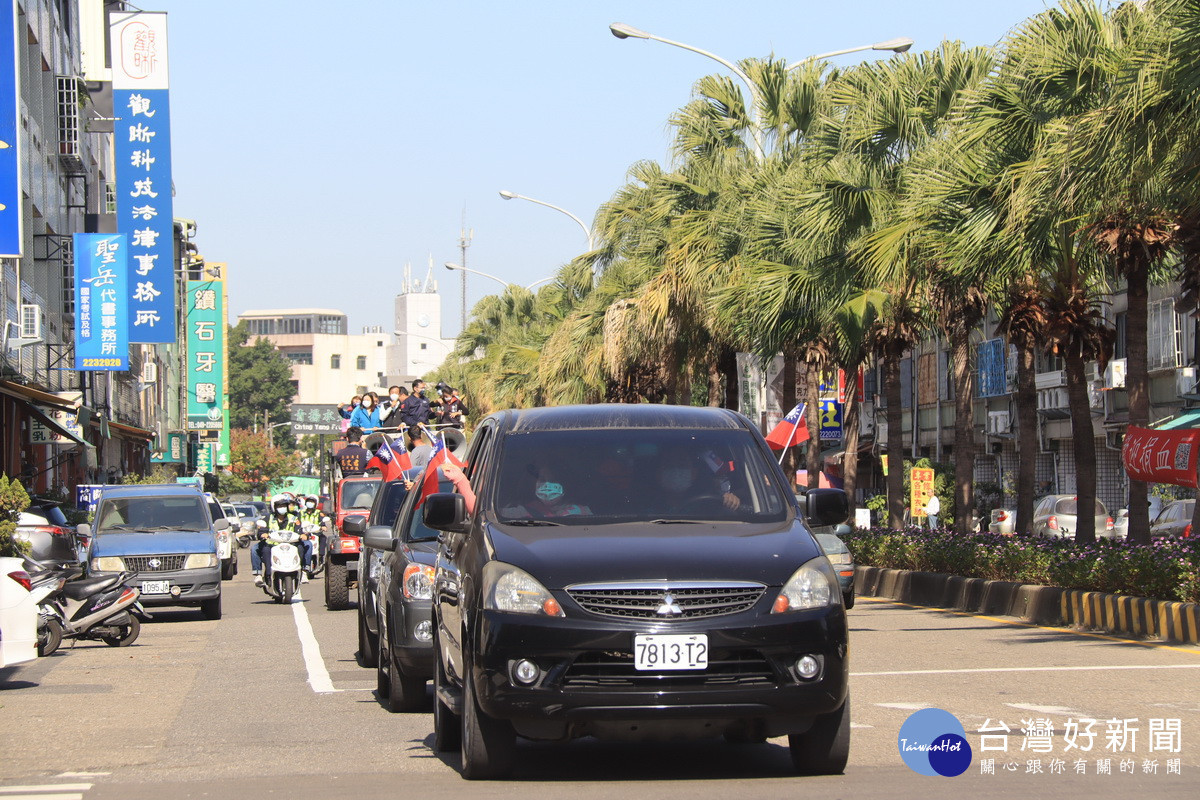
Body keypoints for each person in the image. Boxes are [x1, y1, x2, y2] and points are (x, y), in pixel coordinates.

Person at [655, 453, 742, 513]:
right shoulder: (644, 509)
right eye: (669, 466)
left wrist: (731, 502)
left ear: (694, 473)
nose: (676, 471)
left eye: (682, 465)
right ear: (658, 474)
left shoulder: (710, 506)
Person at [255, 494, 310, 585]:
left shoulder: (293, 518)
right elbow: (262, 531)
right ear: (274, 507)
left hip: (291, 544)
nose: (282, 508)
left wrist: (303, 535)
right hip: (273, 545)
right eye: (280, 506)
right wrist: (263, 534)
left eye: (284, 506)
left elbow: (299, 529)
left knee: (301, 547)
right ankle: (268, 574)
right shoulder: (268, 518)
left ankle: (301, 571)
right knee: (264, 550)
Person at [501, 466, 591, 519]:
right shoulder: (521, 511)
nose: (547, 485)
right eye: (542, 480)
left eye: (553, 480)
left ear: (564, 484)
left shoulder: (582, 512)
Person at [298, 494, 327, 565]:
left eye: (312, 502)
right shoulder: (301, 513)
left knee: (323, 538)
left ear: (315, 504)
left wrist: (323, 527)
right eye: (309, 501)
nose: (310, 503)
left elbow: (322, 522)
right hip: (304, 533)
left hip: (316, 533)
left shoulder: (318, 513)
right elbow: (297, 523)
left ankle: (321, 556)